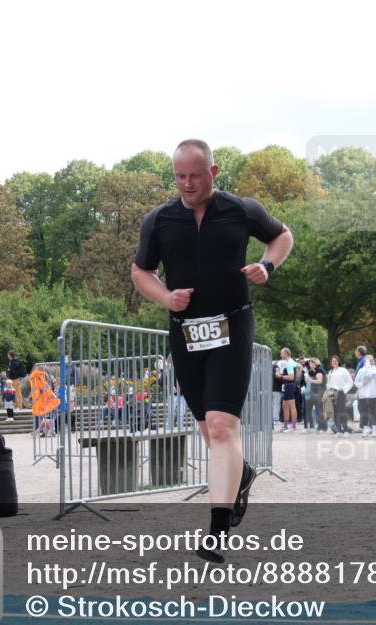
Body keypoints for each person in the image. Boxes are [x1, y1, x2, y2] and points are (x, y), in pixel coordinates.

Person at [130, 138, 293, 563]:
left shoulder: (242, 209)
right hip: (186, 334)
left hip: (232, 324)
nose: (186, 184)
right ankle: (241, 476)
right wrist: (165, 298)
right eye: (179, 176)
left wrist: (267, 265)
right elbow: (141, 270)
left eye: (195, 175)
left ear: (213, 172)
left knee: (222, 428)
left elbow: (282, 236)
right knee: (208, 431)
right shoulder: (159, 220)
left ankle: (216, 534)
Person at [354, 354, 376, 437]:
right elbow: (356, 382)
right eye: (366, 360)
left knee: (373, 412)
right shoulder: (361, 370)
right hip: (363, 394)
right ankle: (365, 428)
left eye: (369, 360)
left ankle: (374, 428)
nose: (367, 362)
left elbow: (370, 374)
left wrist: (368, 367)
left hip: (373, 394)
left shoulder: (375, 369)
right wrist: (362, 383)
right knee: (363, 412)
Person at [325, 355, 353, 435]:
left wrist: (343, 389)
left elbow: (350, 382)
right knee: (335, 412)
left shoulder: (343, 370)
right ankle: (339, 431)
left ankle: (346, 430)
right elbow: (328, 384)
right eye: (332, 361)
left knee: (341, 412)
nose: (334, 362)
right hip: (332, 394)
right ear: (331, 363)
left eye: (335, 361)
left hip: (341, 393)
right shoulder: (330, 372)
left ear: (338, 361)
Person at [276, 348, 299, 433]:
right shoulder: (290, 362)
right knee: (285, 406)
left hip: (289, 386)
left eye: (281, 354)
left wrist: (281, 376)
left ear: (286, 354)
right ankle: (286, 425)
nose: (280, 355)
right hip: (286, 386)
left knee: (291, 406)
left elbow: (291, 377)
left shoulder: (289, 363)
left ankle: (293, 426)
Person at [304, 358, 326, 433]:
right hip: (315, 392)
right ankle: (318, 426)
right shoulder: (314, 370)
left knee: (319, 410)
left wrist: (311, 380)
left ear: (314, 363)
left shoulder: (319, 370)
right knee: (317, 410)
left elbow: (320, 381)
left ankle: (322, 427)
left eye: (311, 363)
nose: (309, 364)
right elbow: (307, 367)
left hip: (319, 392)